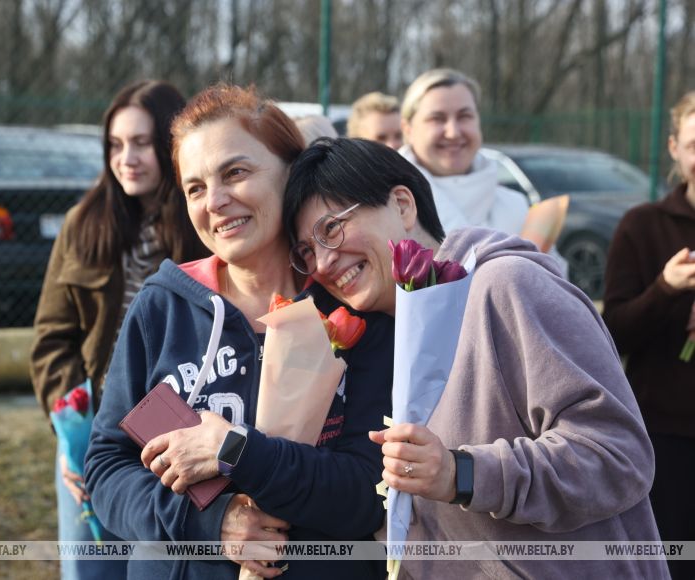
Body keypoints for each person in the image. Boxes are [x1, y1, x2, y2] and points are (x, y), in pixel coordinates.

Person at [282, 137, 669, 579]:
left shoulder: (508, 286)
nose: (325, 262)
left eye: (331, 229)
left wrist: (463, 474)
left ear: (403, 206)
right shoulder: (376, 339)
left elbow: (619, 456)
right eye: (306, 252)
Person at [85, 85, 392, 580]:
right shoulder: (163, 304)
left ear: (291, 172)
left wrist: (238, 453)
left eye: (236, 173)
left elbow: (368, 491)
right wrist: (212, 524)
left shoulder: (354, 308)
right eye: (195, 188)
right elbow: (106, 469)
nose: (217, 202)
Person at [30, 79, 208, 579]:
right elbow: (51, 340)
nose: (126, 157)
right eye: (115, 144)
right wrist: (75, 432)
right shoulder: (82, 224)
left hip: (180, 438)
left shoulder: (205, 228)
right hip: (96, 435)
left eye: (141, 143)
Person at [602, 91, 695, 580]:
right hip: (666, 435)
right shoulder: (644, 226)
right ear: (675, 148)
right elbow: (612, 331)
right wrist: (666, 288)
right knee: (673, 561)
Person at [399, 68, 529, 236]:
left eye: (464, 116)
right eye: (437, 118)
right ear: (408, 129)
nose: (453, 132)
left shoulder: (516, 208)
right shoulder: (384, 206)